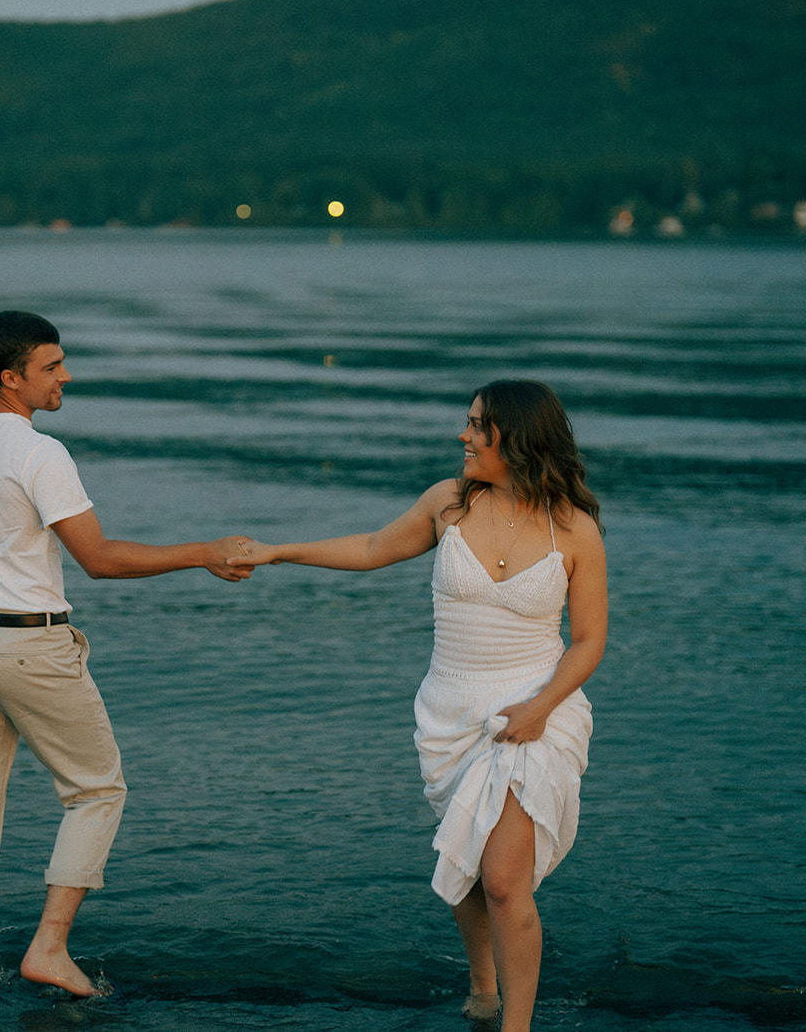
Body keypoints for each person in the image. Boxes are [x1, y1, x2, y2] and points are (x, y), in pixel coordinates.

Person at [230, 380, 606, 1031]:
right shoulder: (449, 503)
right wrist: (277, 551)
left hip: (536, 710)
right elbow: (375, 548)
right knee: (465, 861)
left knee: (506, 880)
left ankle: (516, 1024)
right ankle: (482, 985)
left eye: (476, 425)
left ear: (514, 437)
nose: (463, 435)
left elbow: (591, 639)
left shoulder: (572, 527)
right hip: (451, 713)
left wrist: (543, 706)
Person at [0, 309, 253, 994]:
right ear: (11, 377)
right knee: (96, 789)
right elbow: (99, 560)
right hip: (30, 644)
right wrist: (202, 553)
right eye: (51, 366)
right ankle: (48, 946)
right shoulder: (40, 453)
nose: (64, 376)